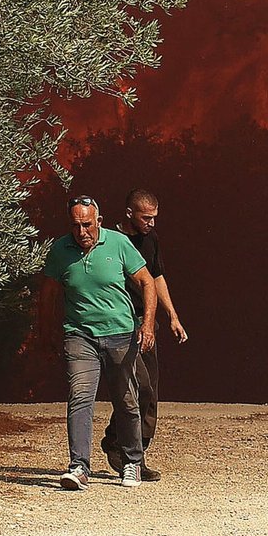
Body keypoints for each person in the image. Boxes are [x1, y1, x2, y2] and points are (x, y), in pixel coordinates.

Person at [42, 194, 158, 489]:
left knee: (126, 399)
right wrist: (47, 332)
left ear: (99, 221)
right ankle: (79, 467)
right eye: (76, 225)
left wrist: (147, 324)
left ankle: (132, 462)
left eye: (87, 225)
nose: (81, 232)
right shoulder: (60, 249)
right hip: (79, 335)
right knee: (80, 397)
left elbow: (147, 282)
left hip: (120, 333)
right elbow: (48, 294)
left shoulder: (118, 244)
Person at [102, 188, 188, 478]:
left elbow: (157, 277)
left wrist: (172, 316)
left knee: (150, 392)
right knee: (137, 388)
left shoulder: (150, 239)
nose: (151, 223)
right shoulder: (111, 241)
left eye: (154, 217)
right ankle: (121, 448)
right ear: (129, 214)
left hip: (146, 323)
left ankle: (135, 454)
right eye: (146, 217)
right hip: (119, 326)